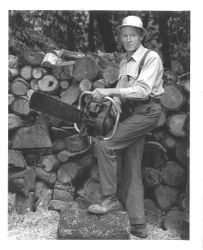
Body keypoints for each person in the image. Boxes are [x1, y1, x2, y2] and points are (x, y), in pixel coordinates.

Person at [87, 15, 164, 238]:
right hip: (131, 114)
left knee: (105, 146)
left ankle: (109, 198)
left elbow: (142, 91)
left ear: (141, 36)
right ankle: (138, 225)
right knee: (131, 164)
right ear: (120, 37)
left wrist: (109, 92)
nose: (128, 39)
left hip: (148, 112)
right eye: (124, 35)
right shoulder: (124, 61)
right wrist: (112, 104)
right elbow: (123, 90)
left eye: (133, 35)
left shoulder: (151, 58)